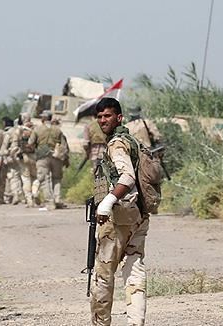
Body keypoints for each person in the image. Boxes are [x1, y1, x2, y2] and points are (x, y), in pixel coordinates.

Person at [90, 97, 148, 326]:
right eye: (100, 116)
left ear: (119, 117)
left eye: (108, 116)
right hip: (138, 214)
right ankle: (136, 322)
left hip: (117, 216)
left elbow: (127, 177)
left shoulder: (116, 143)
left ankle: (101, 323)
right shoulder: (132, 140)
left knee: (103, 275)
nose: (103, 120)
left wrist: (107, 202)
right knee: (135, 271)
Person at [28, 110, 69, 210]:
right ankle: (57, 199)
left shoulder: (37, 129)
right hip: (56, 156)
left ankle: (50, 202)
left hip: (42, 157)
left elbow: (30, 143)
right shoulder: (58, 130)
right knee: (57, 178)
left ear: (43, 118)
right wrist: (65, 158)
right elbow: (64, 145)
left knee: (44, 180)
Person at [0, 116, 24, 205]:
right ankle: (21, 195)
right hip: (20, 156)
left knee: (12, 177)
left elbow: (4, 147)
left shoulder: (8, 133)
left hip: (11, 156)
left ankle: (15, 195)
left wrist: (2, 154)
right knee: (18, 176)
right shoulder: (18, 131)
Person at [18, 114, 39, 207]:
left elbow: (15, 143)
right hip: (34, 156)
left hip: (24, 157)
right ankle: (35, 192)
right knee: (36, 177)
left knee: (25, 178)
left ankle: (29, 200)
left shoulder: (19, 130)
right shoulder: (36, 128)